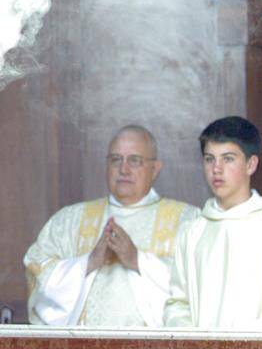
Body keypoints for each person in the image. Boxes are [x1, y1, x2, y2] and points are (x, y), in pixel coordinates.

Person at [164, 116, 262, 349]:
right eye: (209, 159)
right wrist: (198, 346)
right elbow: (177, 303)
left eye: (228, 159)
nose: (216, 169)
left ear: (251, 165)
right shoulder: (192, 232)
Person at [24, 125, 199, 327]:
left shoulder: (187, 221)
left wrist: (138, 260)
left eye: (135, 160)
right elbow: (37, 271)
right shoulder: (68, 221)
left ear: (155, 169)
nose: (124, 169)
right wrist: (88, 262)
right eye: (116, 160)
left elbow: (197, 285)